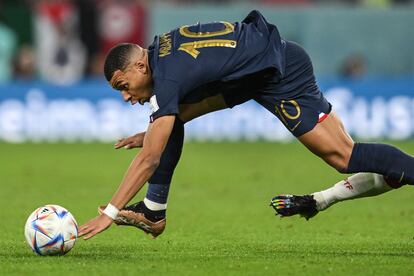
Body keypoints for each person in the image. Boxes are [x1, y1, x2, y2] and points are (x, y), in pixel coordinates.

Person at [78, 10, 414, 240]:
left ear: (139, 66)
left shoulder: (166, 76)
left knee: (343, 156)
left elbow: (150, 159)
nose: (125, 97)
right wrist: (154, 131)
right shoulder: (163, 55)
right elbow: (211, 96)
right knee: (172, 117)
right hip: (259, 73)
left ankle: (153, 212)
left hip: (281, 73)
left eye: (123, 86)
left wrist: (110, 211)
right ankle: (153, 211)